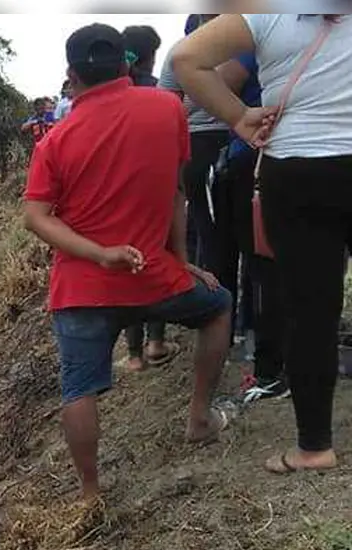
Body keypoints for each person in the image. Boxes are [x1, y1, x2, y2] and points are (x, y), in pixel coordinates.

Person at [24, 23, 233, 501]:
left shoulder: (56, 139)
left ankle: (91, 493)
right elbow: (176, 193)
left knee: (79, 387)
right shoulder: (167, 108)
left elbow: (35, 217)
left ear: (71, 75)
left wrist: (99, 254)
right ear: (128, 65)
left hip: (81, 289)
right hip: (155, 276)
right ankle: (199, 418)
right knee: (219, 306)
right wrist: (183, 263)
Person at [173, 13, 352, 474]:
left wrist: (238, 117)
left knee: (312, 309)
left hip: (296, 169)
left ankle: (314, 447)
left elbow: (186, 59)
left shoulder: (267, 9)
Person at [213, 50, 289, 402]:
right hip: (326, 155)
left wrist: (241, 117)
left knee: (264, 265)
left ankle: (272, 371)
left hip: (261, 155)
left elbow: (216, 79)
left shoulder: (261, 31)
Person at [121, 24, 177, 372]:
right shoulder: (164, 95)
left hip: (121, 195)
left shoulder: (112, 94)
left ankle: (134, 354)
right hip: (159, 191)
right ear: (153, 55)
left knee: (130, 267)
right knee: (158, 261)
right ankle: (157, 342)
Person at [159, 15, 231, 271]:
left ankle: (209, 298)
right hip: (241, 141)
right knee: (237, 237)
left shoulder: (181, 51)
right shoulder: (245, 40)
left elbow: (166, 107)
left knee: (205, 228)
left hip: (195, 144)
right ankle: (229, 304)